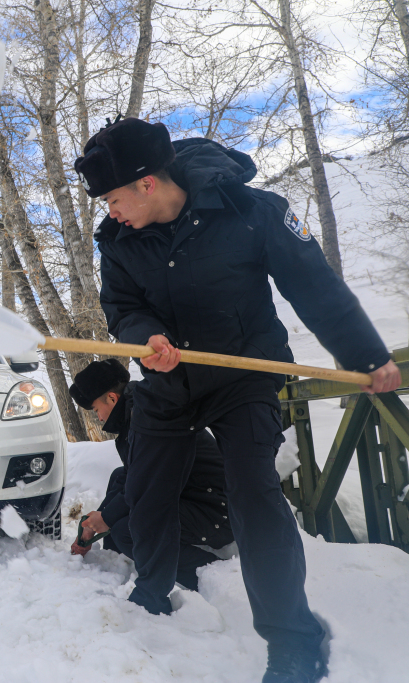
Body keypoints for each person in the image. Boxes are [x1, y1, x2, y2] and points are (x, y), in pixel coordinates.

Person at [74, 117, 401, 683]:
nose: (110, 212)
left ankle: (293, 641)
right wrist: (144, 337)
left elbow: (314, 287)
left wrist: (367, 358)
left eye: (113, 198)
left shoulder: (253, 212)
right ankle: (151, 592)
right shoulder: (118, 241)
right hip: (167, 385)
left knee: (253, 493)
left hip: (241, 377)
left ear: (147, 182)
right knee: (148, 492)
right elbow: (122, 306)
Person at [67, 359, 233, 592]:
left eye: (96, 410)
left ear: (113, 398)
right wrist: (101, 519)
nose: (99, 418)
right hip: (190, 497)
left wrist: (108, 518)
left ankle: (213, 576)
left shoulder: (148, 418)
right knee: (119, 477)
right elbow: (134, 476)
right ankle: (116, 559)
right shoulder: (137, 414)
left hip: (216, 510)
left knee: (132, 530)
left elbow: (149, 483)